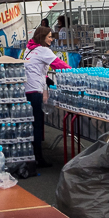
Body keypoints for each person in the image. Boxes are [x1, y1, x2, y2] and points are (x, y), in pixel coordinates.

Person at [24, 25, 70, 167]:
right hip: (35, 91)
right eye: (49, 36)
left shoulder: (29, 49)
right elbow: (59, 65)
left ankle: (32, 155)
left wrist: (48, 81)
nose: (51, 39)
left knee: (31, 124)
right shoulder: (43, 50)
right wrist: (77, 73)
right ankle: (38, 158)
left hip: (26, 90)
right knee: (37, 125)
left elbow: (36, 69)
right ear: (42, 37)